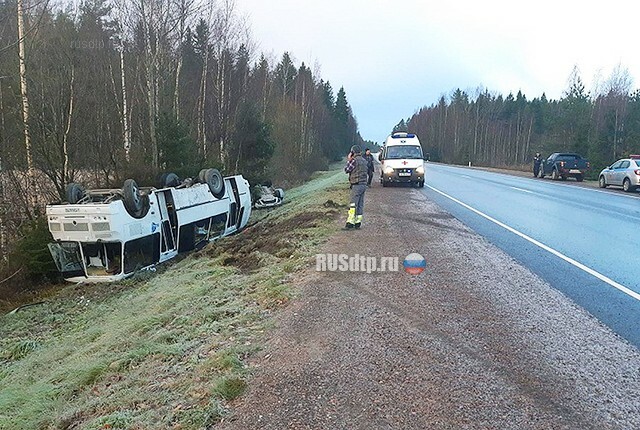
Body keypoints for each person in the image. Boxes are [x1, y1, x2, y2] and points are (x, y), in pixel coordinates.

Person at [344, 145, 368, 229]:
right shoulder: (364, 161)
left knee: (353, 204)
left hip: (356, 185)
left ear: (353, 152)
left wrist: (349, 160)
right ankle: (358, 222)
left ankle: (350, 222)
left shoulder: (354, 161)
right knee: (360, 204)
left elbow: (347, 170)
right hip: (364, 184)